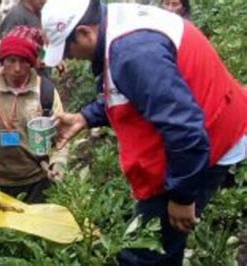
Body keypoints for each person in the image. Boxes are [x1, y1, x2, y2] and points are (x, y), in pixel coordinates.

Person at [41, 0, 247, 265]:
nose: (69, 58)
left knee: (143, 254)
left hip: (209, 141)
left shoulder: (133, 53)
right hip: (204, 132)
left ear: (84, 32)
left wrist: (181, 197)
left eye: (68, 49)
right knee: (155, 248)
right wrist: (86, 117)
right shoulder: (116, 26)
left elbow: (184, 128)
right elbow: (138, 92)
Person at [0, 27, 68, 203]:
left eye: (24, 61)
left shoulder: (45, 92)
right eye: (11, 60)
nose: (17, 68)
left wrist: (58, 163)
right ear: (2, 61)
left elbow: (62, 136)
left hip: (38, 181)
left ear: (32, 62)